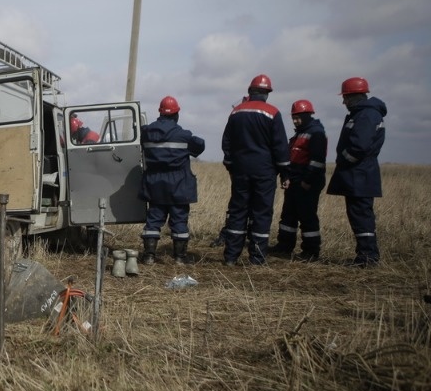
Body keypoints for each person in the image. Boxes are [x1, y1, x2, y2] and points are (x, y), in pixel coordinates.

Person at [221, 74, 290, 265]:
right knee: (261, 212)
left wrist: (231, 165)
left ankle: (230, 257)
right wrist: (285, 173)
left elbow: (226, 141)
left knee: (238, 211)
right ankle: (257, 258)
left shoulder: (236, 112)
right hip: (265, 172)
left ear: (250, 91)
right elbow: (280, 146)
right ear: (267, 93)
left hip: (240, 170)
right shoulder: (273, 113)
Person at [326, 77, 387, 267]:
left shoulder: (366, 115)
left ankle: (367, 257)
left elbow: (359, 147)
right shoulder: (363, 114)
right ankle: (366, 255)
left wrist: (343, 159)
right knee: (359, 215)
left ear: (355, 96)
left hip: (359, 175)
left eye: (345, 97)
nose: (343, 101)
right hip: (359, 175)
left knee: (361, 216)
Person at [138, 96, 205, 264]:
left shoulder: (146, 132)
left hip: (155, 184)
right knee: (179, 220)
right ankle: (180, 258)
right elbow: (199, 146)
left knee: (153, 220)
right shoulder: (184, 136)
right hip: (178, 185)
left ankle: (149, 257)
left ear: (160, 112)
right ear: (176, 114)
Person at [269, 100, 328, 261]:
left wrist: (307, 181)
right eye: (294, 117)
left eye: (298, 117)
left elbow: (317, 161)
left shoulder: (316, 133)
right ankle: (284, 246)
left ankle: (311, 251)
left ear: (308, 115)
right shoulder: (299, 134)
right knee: (288, 215)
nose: (295, 120)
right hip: (295, 180)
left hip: (307, 182)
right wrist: (286, 177)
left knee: (307, 216)